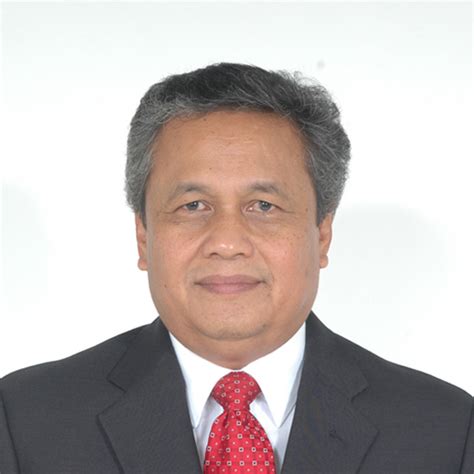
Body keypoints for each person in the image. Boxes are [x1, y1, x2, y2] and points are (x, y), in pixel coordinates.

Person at [0, 63, 472, 474]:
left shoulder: (446, 431)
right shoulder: (25, 421)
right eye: (193, 205)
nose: (226, 242)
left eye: (264, 205)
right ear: (144, 236)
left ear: (322, 234)